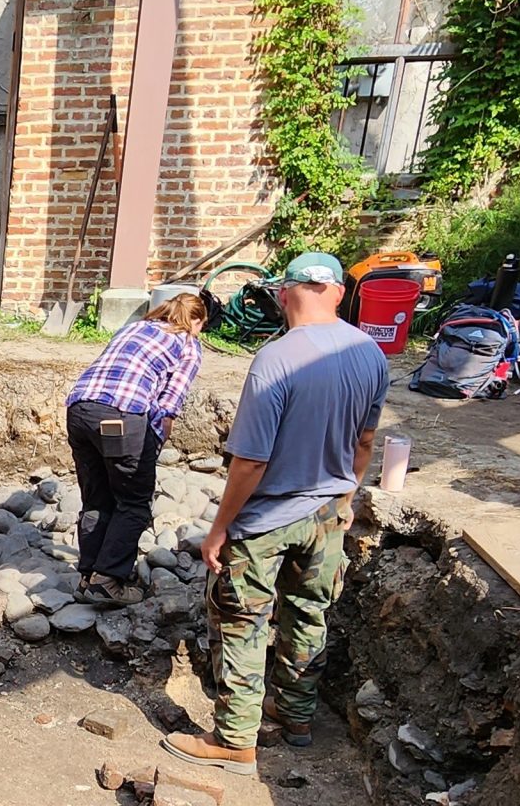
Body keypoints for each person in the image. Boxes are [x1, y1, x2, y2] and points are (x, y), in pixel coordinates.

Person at [166, 253, 389, 774]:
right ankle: (295, 714)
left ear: (284, 295)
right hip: (329, 513)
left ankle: (235, 740)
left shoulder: (278, 357)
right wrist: (348, 499)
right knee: (309, 613)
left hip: (268, 519)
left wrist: (219, 529)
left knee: (242, 621)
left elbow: (250, 461)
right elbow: (365, 441)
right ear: (337, 293)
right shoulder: (372, 355)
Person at [63, 291, 206, 606]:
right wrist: (150, 449)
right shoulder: (188, 344)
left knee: (96, 498)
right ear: (195, 321)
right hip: (120, 416)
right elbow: (169, 404)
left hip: (79, 410)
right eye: (201, 326)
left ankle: (87, 577)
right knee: (133, 502)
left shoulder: (135, 327)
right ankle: (107, 581)